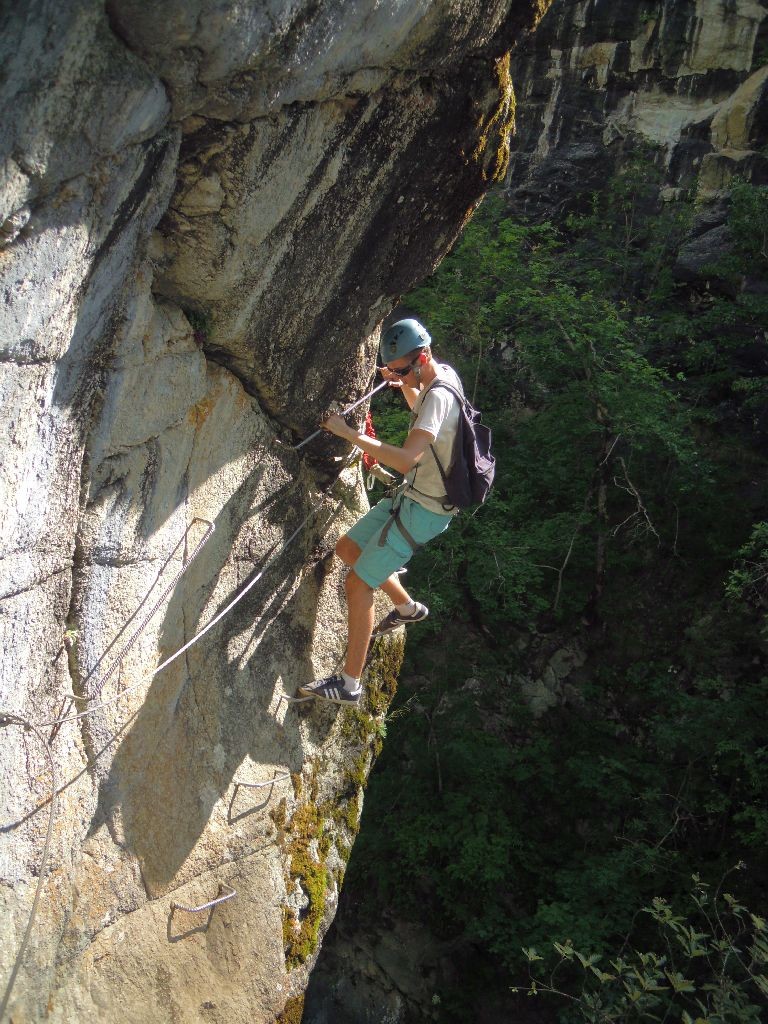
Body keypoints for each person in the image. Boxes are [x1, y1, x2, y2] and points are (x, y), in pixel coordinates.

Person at [298, 318, 464, 704]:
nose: (400, 375)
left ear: (422, 357)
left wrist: (349, 434)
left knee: (358, 583)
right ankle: (406, 607)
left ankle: (349, 685)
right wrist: (405, 382)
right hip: (414, 498)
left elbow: (407, 459)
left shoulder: (438, 395)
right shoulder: (442, 378)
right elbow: (426, 416)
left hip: (423, 510)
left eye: (404, 369)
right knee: (347, 549)